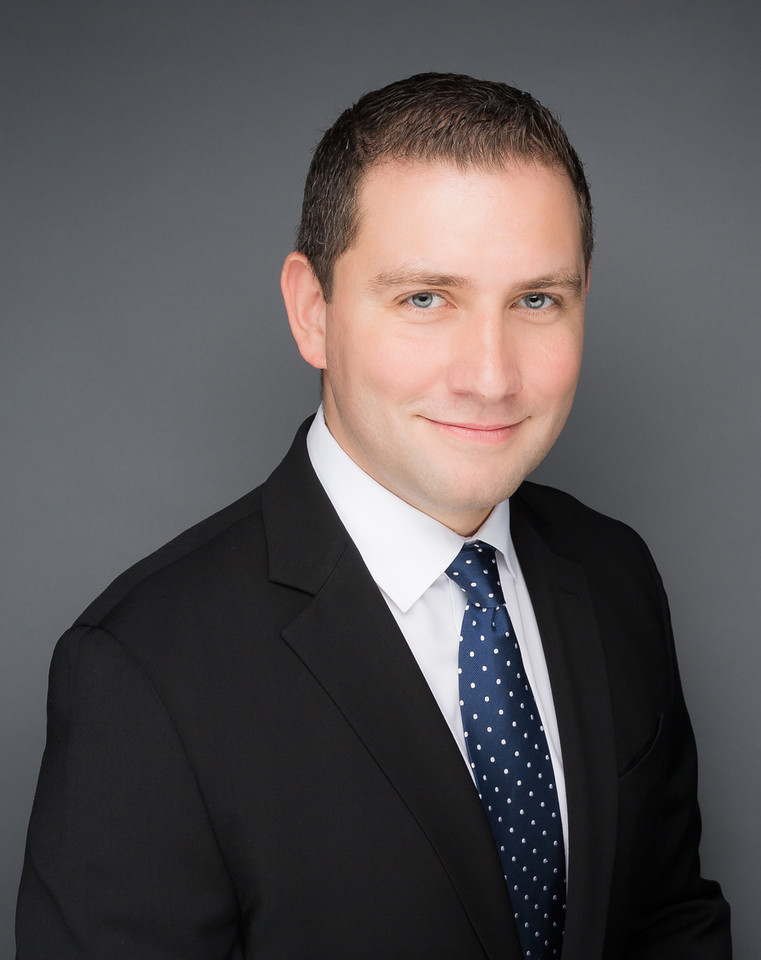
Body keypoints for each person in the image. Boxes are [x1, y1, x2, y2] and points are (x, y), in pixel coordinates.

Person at [16, 73, 731, 960]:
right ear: (312, 313)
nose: (490, 376)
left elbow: (668, 921)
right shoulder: (142, 669)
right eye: (425, 298)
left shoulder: (614, 570)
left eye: (536, 299)